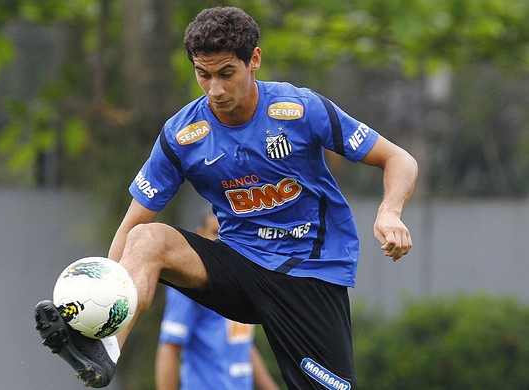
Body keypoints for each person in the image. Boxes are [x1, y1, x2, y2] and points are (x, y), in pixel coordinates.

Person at [34, 6, 418, 389]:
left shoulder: (300, 109)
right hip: (239, 265)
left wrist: (389, 212)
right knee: (146, 239)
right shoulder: (182, 135)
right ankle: (104, 346)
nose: (215, 89)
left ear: (254, 60)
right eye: (204, 75)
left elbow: (398, 158)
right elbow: (130, 225)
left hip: (308, 271)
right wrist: (99, 297)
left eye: (226, 74)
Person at [155, 212, 279, 390]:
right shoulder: (187, 285)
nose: (222, 242)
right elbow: (169, 347)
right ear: (200, 235)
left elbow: (243, 346)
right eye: (215, 232)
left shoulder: (244, 280)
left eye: (229, 234)